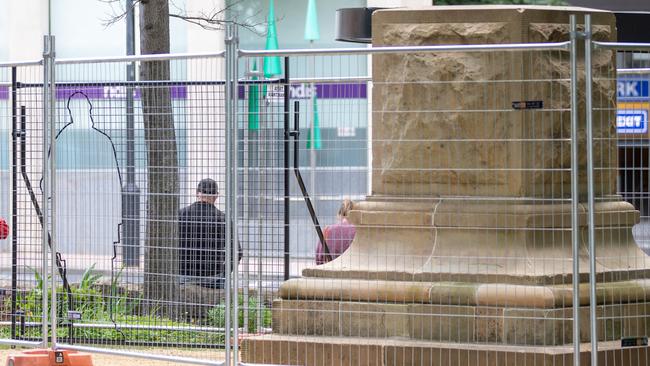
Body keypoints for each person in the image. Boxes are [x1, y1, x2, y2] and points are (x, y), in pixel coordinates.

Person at [178, 178, 240, 289]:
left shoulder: (180, 214)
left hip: (183, 274)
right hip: (213, 275)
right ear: (216, 196)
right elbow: (237, 251)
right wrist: (225, 272)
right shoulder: (223, 218)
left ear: (197, 193)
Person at [316, 199, 356, 265]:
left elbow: (319, 257)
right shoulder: (359, 232)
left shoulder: (328, 230)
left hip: (331, 269)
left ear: (339, 214)